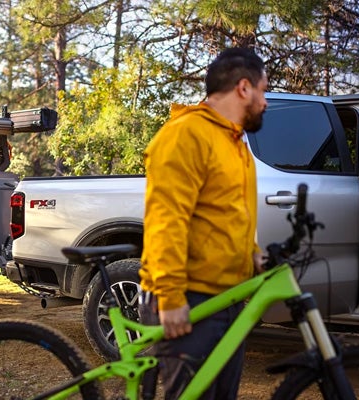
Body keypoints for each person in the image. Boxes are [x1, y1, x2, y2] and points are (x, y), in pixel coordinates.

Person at [138, 47, 268, 399]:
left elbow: (227, 211)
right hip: (190, 298)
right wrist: (170, 297)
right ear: (244, 88)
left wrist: (253, 253)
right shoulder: (186, 134)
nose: (265, 101)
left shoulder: (233, 141)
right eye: (263, 90)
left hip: (227, 298)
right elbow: (166, 220)